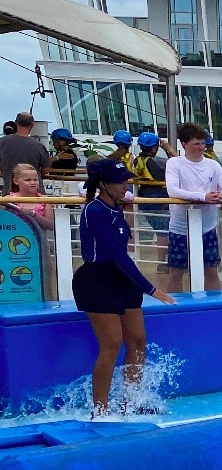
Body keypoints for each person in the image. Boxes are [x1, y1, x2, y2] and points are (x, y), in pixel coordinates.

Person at [73, 158, 175, 415]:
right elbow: (117, 255)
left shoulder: (117, 208)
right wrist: (152, 289)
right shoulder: (94, 211)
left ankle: (131, 401)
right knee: (111, 344)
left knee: (138, 341)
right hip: (98, 279)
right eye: (119, 182)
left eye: (126, 181)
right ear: (104, 184)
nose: (124, 186)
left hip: (122, 280)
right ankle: (100, 409)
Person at [164, 122, 222, 292]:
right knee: (176, 271)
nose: (201, 147)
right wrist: (202, 197)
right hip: (181, 227)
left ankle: (213, 305)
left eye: (203, 143)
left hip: (208, 226)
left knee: (211, 270)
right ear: (184, 144)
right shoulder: (174, 164)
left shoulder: (213, 165)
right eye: (197, 144)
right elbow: (172, 190)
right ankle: (175, 307)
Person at [130, 130, 169, 267]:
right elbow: (171, 168)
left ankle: (163, 261)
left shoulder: (136, 160)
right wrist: (169, 150)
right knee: (163, 231)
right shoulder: (155, 161)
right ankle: (162, 263)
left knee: (161, 230)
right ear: (154, 147)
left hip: (143, 196)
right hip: (157, 197)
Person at [0, 112, 47, 191]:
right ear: (32, 125)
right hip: (34, 193)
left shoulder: (2, 142)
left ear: (15, 123)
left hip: (9, 191)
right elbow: (45, 170)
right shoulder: (39, 146)